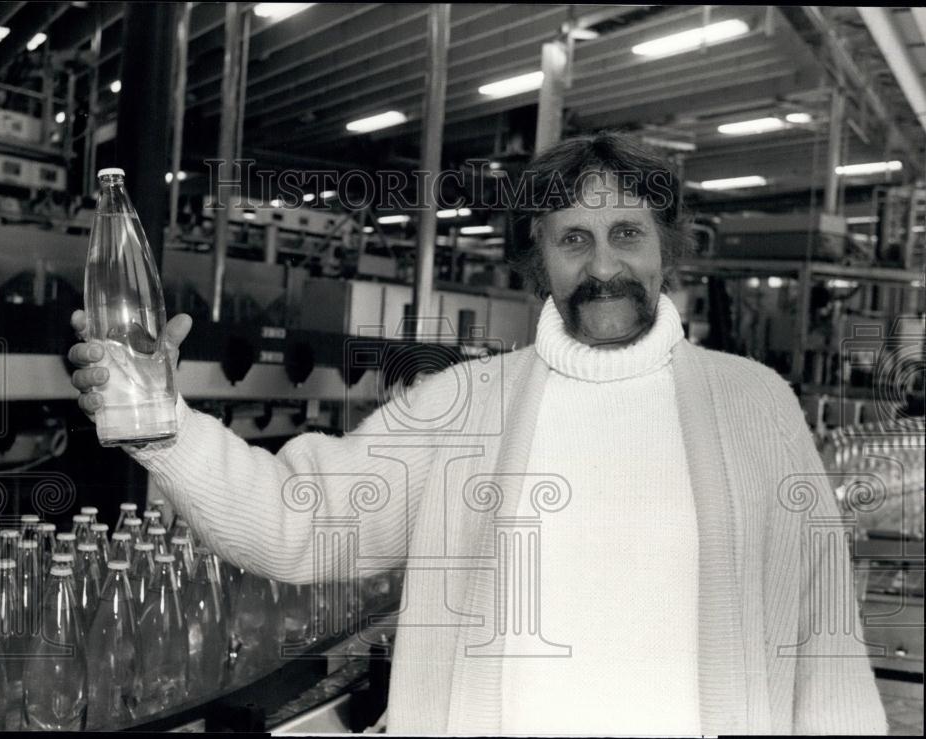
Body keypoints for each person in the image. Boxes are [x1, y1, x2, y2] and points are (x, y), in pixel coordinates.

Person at [69, 133, 887, 735]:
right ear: (539, 260)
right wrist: (164, 426)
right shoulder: (460, 407)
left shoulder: (755, 404)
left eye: (626, 234)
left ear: (666, 250)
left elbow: (827, 640)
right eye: (573, 238)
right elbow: (300, 523)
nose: (603, 264)